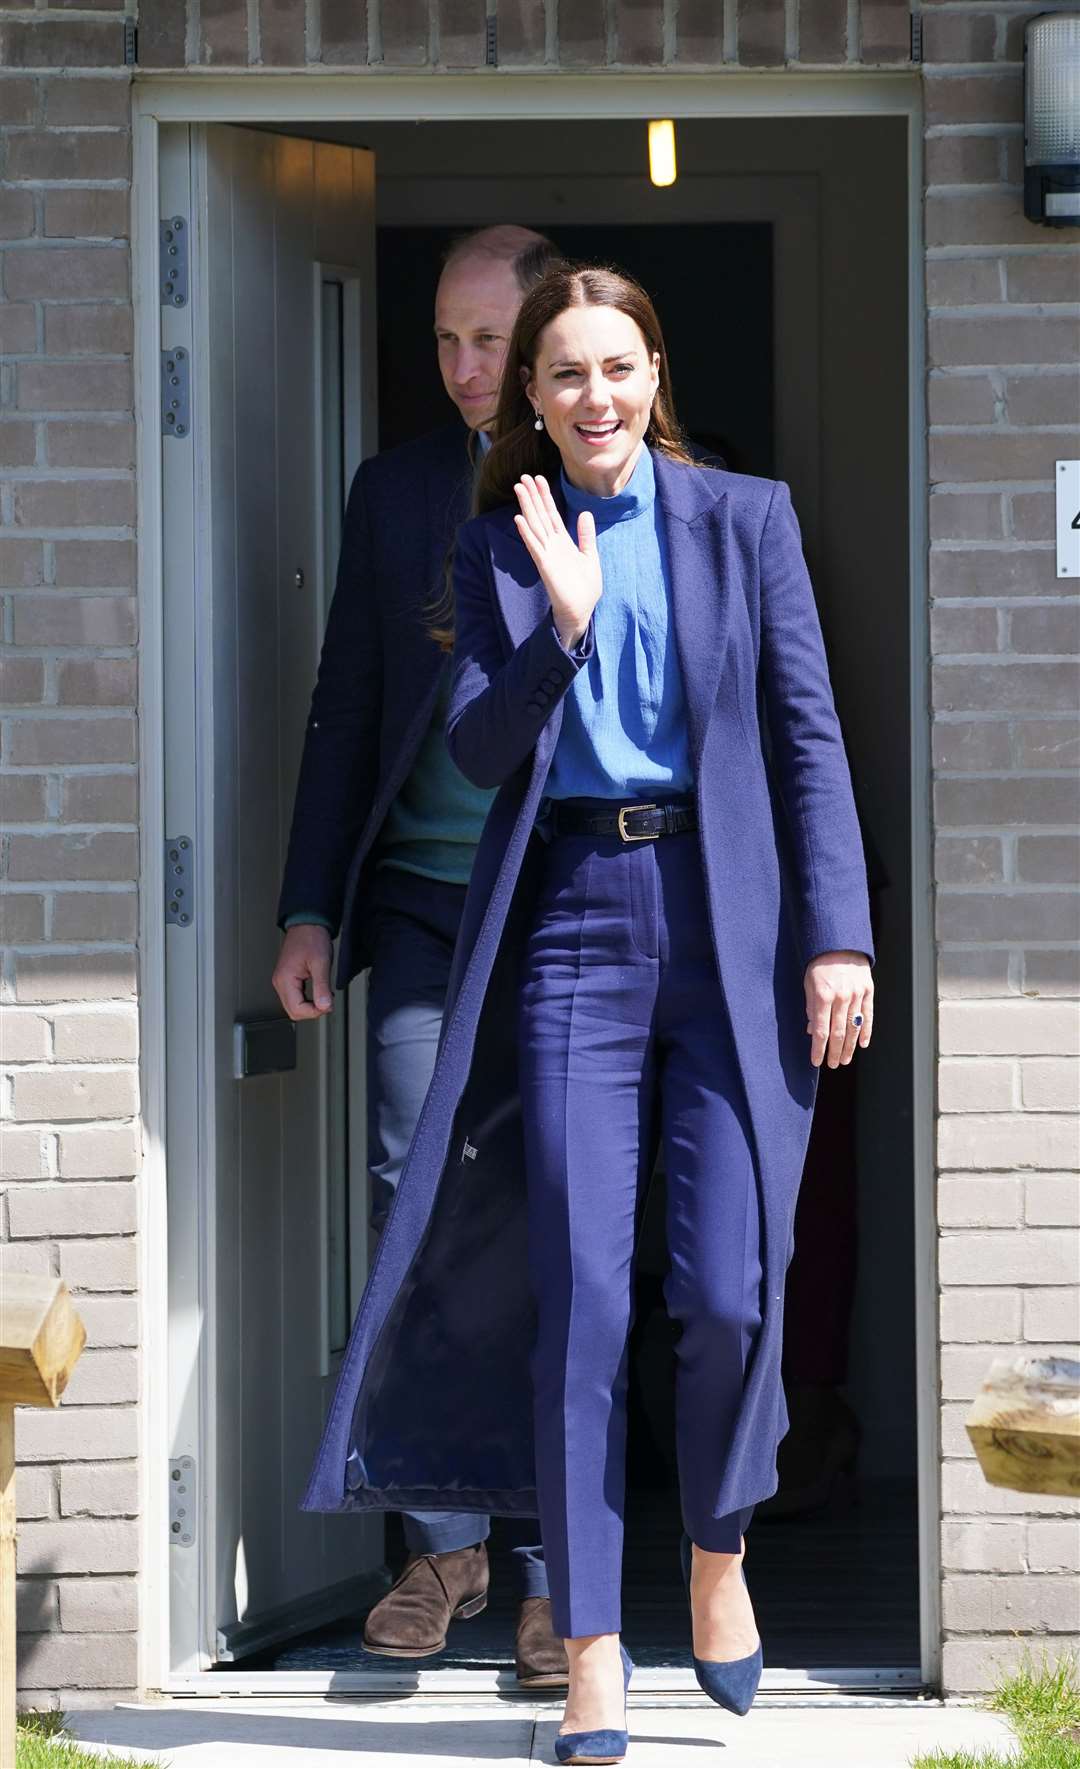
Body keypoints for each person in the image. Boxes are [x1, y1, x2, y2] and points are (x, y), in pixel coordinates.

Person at [299, 263, 875, 1764]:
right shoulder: (506, 543)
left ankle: (718, 1554)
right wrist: (562, 620)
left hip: (729, 931)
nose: (593, 398)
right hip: (572, 929)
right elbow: (484, 752)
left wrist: (841, 938)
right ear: (535, 405)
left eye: (615, 369)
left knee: (733, 1290)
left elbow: (807, 739)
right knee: (586, 1301)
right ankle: (597, 1658)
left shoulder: (745, 521)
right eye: (564, 378)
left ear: (654, 373)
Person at [273, 224, 568, 1687]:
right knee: (410, 1188)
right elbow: (346, 701)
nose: (467, 369)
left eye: (491, 343)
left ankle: (541, 1572)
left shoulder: (597, 480)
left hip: (560, 898)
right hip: (417, 899)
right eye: (448, 340)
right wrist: (307, 903)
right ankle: (441, 1539)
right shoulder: (391, 491)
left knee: (545, 1219)